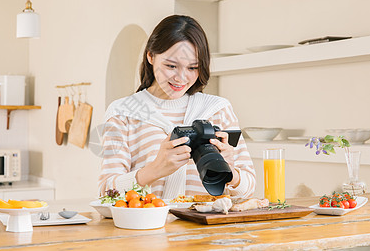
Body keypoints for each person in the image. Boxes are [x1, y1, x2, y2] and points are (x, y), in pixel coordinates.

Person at [99, 15, 255, 199]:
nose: (181, 78)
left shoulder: (218, 109)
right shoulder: (122, 113)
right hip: (150, 227)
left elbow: (248, 191)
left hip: (208, 227)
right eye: (171, 66)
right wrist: (155, 170)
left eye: (192, 68)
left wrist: (232, 174)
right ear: (150, 56)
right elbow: (105, 195)